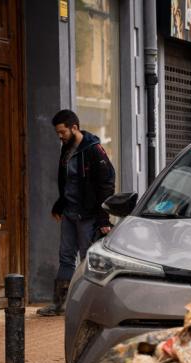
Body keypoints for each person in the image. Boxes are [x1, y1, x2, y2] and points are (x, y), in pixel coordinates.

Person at [39, 109, 115, 317]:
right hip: (70, 213)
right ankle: (59, 304)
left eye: (62, 132)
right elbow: (67, 181)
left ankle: (90, 306)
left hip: (88, 216)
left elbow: (106, 185)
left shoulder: (94, 150)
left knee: (87, 260)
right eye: (58, 133)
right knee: (65, 257)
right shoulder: (67, 148)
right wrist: (60, 204)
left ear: (74, 128)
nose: (60, 136)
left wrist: (103, 218)